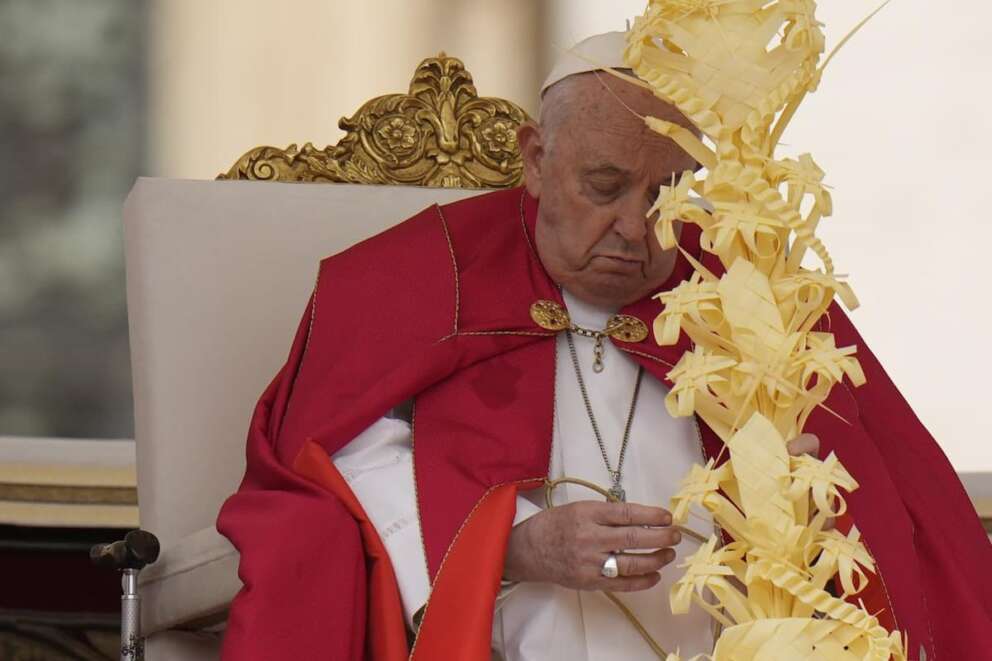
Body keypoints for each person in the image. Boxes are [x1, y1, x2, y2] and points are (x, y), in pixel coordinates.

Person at [216, 32, 992, 661]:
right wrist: (510, 543)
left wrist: (789, 495)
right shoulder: (418, 279)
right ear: (534, 159)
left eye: (667, 193)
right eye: (605, 185)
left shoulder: (749, 296)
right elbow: (334, 468)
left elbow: (887, 503)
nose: (636, 227)